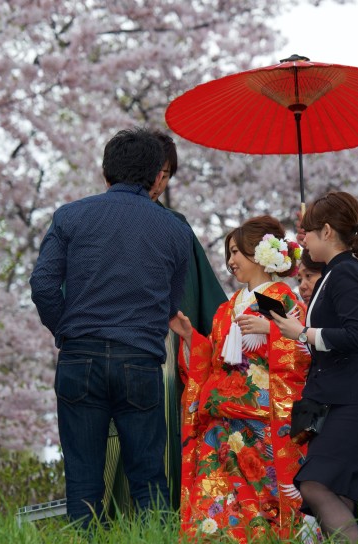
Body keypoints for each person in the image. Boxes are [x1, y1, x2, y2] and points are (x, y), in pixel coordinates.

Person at [30, 127, 193, 529]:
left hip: (79, 355)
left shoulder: (70, 216)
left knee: (83, 479)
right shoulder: (175, 230)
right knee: (149, 478)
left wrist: (66, 331)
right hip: (139, 359)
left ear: (106, 173)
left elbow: (43, 285)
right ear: (157, 176)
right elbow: (172, 303)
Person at [102, 131, 227, 514]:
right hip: (148, 349)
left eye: (168, 173)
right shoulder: (172, 226)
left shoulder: (93, 218)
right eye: (160, 172)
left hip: (129, 350)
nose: (162, 182)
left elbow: (206, 303)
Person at [169, 215, 311, 542]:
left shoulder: (284, 299)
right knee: (213, 501)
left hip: (263, 422)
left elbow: (302, 353)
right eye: (229, 253)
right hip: (221, 420)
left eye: (237, 252)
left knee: (265, 507)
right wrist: (192, 338)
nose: (231, 261)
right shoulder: (227, 308)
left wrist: (272, 329)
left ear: (259, 254)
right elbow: (214, 359)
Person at [272, 191, 358, 543]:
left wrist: (304, 332)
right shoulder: (337, 272)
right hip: (351, 397)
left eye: (308, 235)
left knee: (314, 484)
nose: (304, 242)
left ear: (327, 232)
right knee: (338, 495)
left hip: (355, 399)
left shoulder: (344, 273)